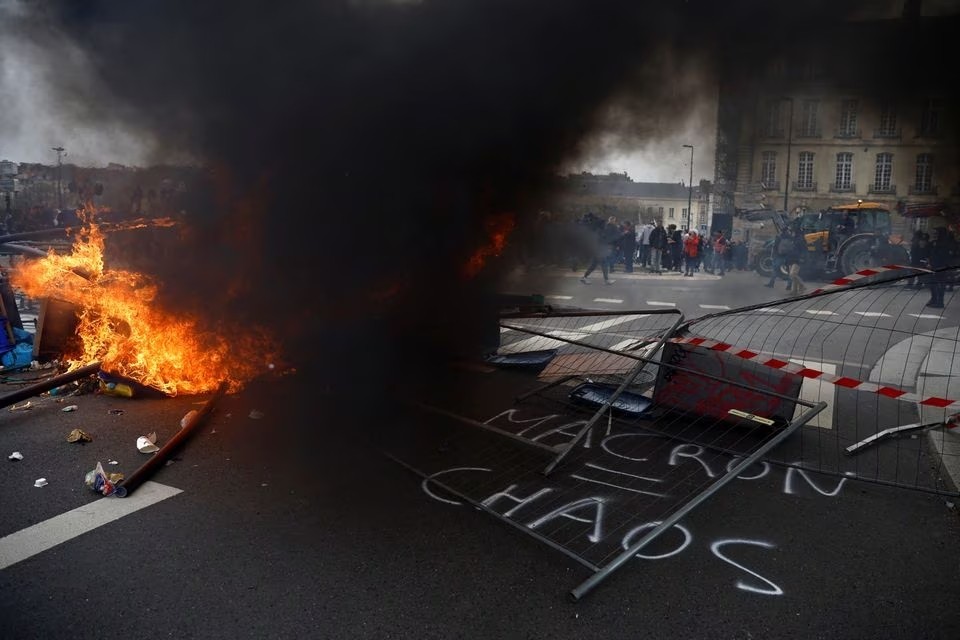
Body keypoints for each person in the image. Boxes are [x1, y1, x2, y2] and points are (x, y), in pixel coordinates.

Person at [580, 215, 620, 285]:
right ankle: (606, 280)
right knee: (604, 263)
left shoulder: (601, 228)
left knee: (594, 265)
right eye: (613, 220)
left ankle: (584, 277)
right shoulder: (609, 228)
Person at [925, 227, 952, 308]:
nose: (934, 235)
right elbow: (930, 253)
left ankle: (940, 302)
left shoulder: (944, 244)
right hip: (933, 266)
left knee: (940, 284)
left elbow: (942, 256)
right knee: (932, 284)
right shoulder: (934, 242)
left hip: (941, 266)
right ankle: (934, 299)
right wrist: (929, 262)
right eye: (934, 233)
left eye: (936, 233)